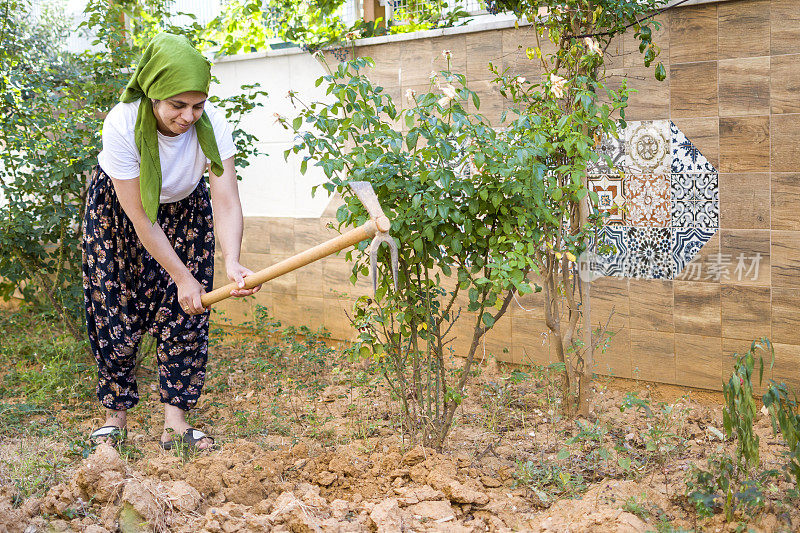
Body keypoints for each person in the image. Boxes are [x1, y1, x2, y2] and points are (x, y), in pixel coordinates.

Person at [83, 33, 261, 451]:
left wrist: (232, 260)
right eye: (177, 105)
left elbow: (227, 199)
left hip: (186, 212)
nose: (189, 116)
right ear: (153, 96)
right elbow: (139, 215)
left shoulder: (212, 125)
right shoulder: (123, 122)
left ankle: (175, 426)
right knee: (115, 315)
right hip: (120, 217)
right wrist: (180, 275)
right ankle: (115, 419)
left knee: (190, 310)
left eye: (197, 105)